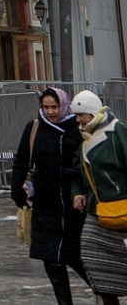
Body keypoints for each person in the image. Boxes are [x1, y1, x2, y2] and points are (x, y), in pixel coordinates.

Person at [15, 84, 88, 302]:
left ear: (64, 106)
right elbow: (21, 160)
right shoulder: (35, 128)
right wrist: (17, 190)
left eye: (54, 107)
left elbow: (86, 161)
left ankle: (104, 292)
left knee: (76, 255)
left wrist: (74, 177)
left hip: (72, 203)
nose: (50, 112)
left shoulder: (77, 129)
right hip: (44, 203)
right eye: (46, 107)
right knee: (51, 258)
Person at [77, 90, 127, 305]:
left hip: (124, 210)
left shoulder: (117, 132)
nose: (78, 120)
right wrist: (78, 192)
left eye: (82, 115)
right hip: (98, 211)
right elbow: (80, 172)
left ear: (92, 112)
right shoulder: (85, 138)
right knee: (92, 257)